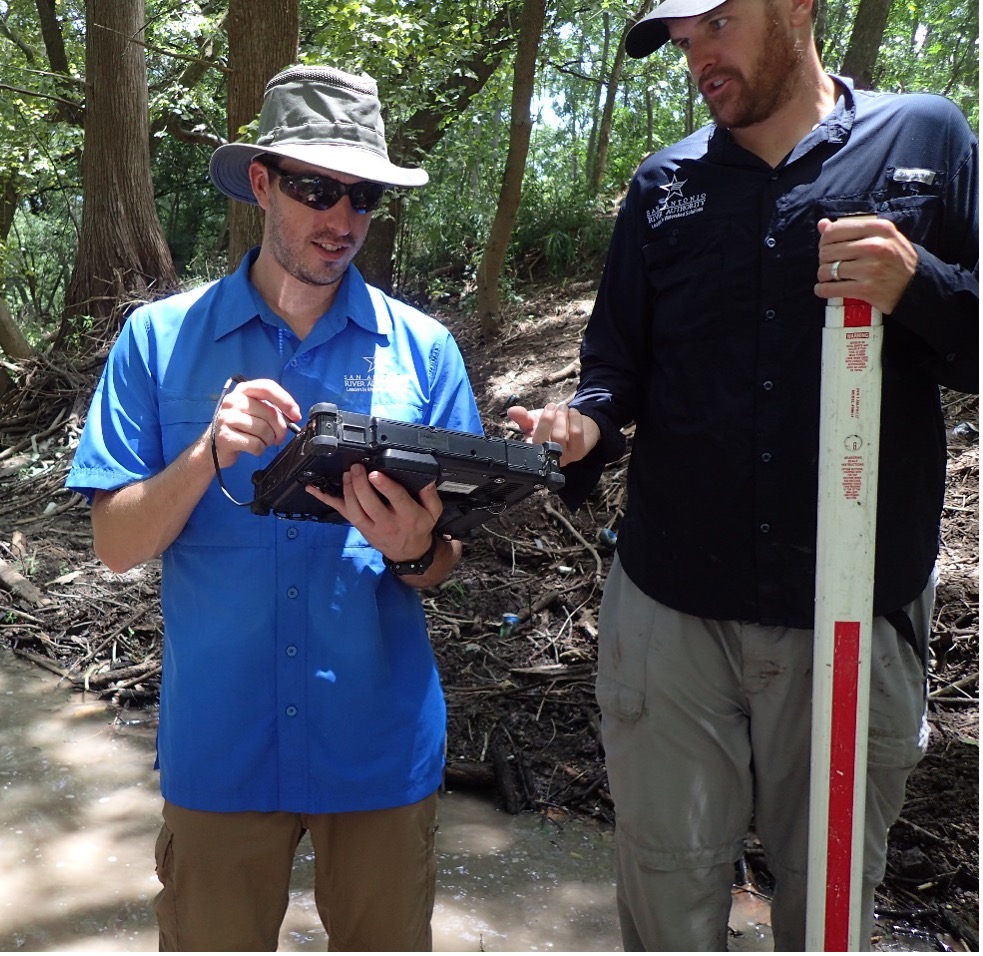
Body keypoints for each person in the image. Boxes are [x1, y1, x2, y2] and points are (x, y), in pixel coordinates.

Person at [507, 0, 979, 948]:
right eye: (682, 41)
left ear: (796, 7)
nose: (697, 59)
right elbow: (615, 372)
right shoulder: (662, 186)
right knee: (667, 899)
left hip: (850, 609)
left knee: (828, 906)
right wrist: (582, 426)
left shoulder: (924, 136)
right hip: (672, 607)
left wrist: (917, 283)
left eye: (715, 25)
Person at [65, 65, 483, 951]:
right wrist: (207, 452)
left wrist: (416, 551)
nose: (341, 219)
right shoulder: (157, 340)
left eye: (361, 195)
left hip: (376, 743)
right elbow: (113, 545)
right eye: (315, 188)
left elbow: (445, 563)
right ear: (261, 183)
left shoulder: (426, 352)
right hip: (220, 745)